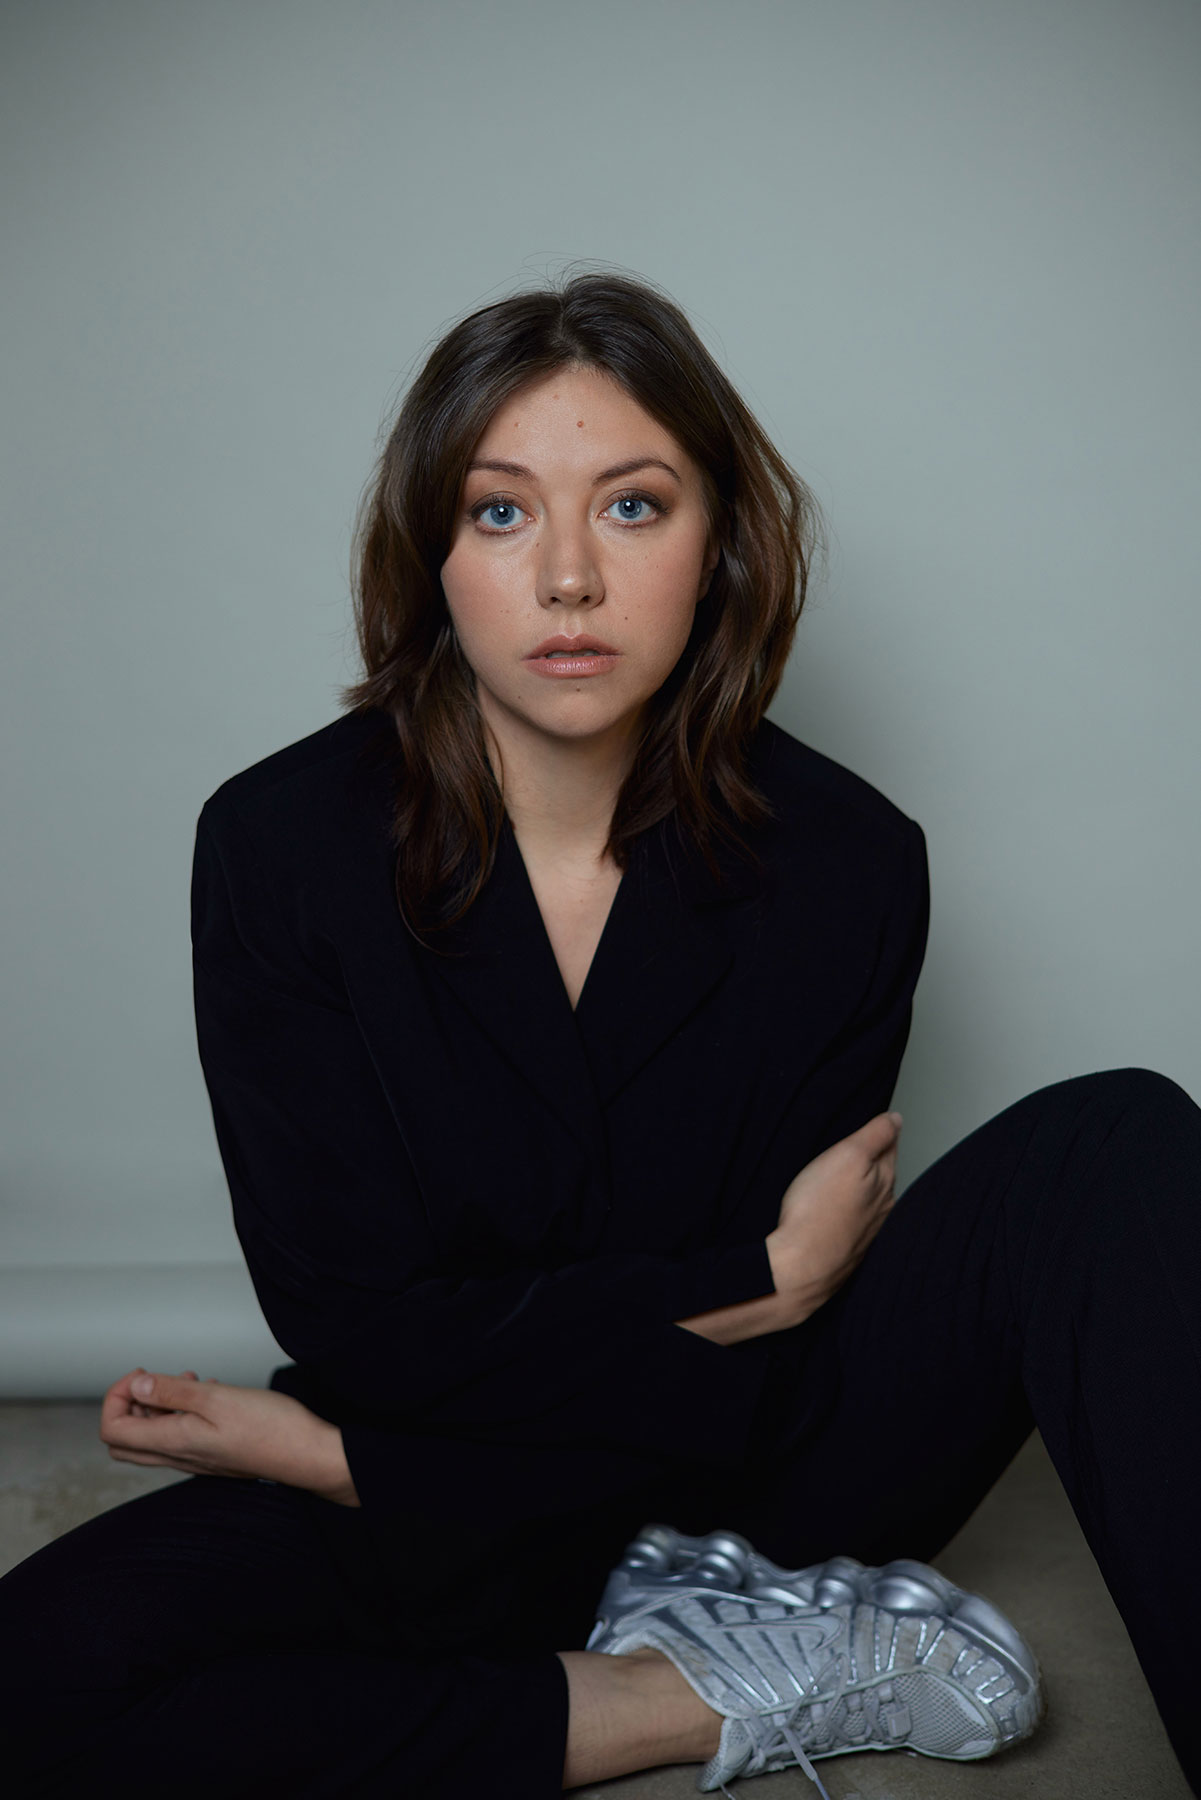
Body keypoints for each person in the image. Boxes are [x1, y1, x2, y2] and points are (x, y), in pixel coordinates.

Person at [1, 273, 1198, 1800]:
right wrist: (749, 1285)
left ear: (719, 547)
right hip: (439, 1483)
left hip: (750, 1477)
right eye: (501, 513)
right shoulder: (280, 846)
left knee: (1114, 1142)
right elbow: (369, 1333)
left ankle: (717, 1616)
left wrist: (339, 1450)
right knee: (31, 1686)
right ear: (431, 555)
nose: (567, 577)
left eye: (631, 507)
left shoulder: (847, 861)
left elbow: (752, 1388)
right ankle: (685, 1698)